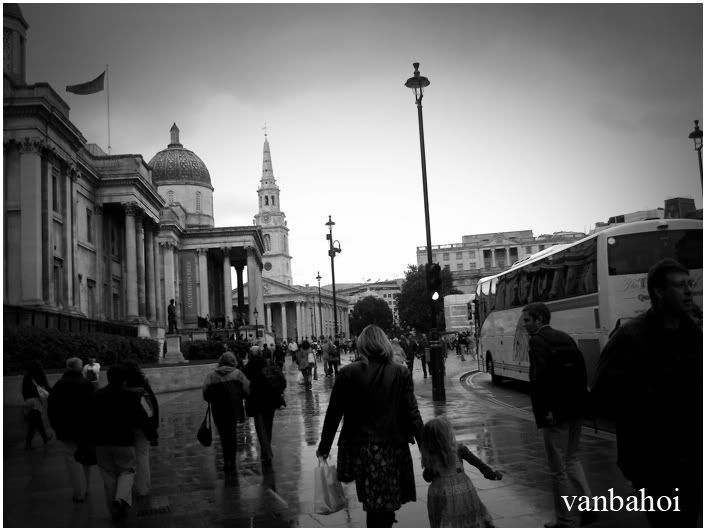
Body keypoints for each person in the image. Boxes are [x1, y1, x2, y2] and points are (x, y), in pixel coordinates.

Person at [592, 259, 702, 527]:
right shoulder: (630, 337)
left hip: (694, 456)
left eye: (690, 284)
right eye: (680, 286)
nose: (689, 291)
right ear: (659, 291)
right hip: (654, 460)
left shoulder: (695, 334)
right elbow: (602, 395)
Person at [316, 325, 424, 528]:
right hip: (393, 447)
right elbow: (413, 414)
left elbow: (333, 415)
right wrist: (427, 448)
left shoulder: (347, 373)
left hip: (362, 450)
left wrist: (324, 447)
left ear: (362, 345)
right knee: (386, 501)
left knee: (373, 503)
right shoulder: (401, 372)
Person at [522, 302, 591, 528]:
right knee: (572, 458)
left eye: (527, 320)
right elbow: (581, 371)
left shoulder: (537, 341)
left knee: (558, 470)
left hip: (555, 412)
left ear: (539, 320)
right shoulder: (565, 337)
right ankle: (589, 505)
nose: (524, 325)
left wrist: (546, 410)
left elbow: (540, 378)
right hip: (576, 408)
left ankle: (564, 519)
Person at [91, 364, 157, 523]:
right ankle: (120, 498)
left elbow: (89, 421)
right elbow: (142, 418)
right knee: (127, 471)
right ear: (124, 379)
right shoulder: (131, 396)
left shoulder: (96, 395)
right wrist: (152, 435)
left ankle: (114, 510)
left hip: (101, 443)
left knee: (108, 478)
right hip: (123, 441)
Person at [421, 416, 501, 527]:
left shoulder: (431, 456)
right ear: (447, 435)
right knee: (468, 516)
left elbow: (427, 477)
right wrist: (491, 474)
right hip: (463, 491)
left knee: (444, 519)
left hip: (440, 493)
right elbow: (477, 463)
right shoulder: (459, 450)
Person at [47, 357, 94, 502]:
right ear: (80, 368)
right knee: (85, 458)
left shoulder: (59, 385)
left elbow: (52, 408)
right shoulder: (86, 384)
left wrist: (56, 426)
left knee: (72, 459)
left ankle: (79, 492)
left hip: (66, 428)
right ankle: (86, 488)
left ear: (68, 367)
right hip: (85, 427)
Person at [202, 352, 250, 473]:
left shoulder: (212, 375)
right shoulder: (237, 374)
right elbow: (247, 389)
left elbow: (205, 392)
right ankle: (231, 461)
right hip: (233, 408)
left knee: (223, 436)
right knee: (232, 434)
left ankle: (226, 459)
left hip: (218, 409)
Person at [244, 346, 285, 467]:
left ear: (250, 354)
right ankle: (265, 450)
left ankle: (266, 451)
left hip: (256, 401)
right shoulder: (267, 364)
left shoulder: (247, 368)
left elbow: (244, 386)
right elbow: (280, 379)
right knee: (268, 426)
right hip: (270, 400)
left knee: (260, 427)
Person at [124, 361, 159, 498]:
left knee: (128, 458)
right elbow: (153, 404)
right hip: (144, 425)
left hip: (127, 426)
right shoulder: (143, 385)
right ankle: (143, 487)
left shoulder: (123, 387)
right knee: (143, 456)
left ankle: (126, 488)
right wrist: (154, 426)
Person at [22, 360, 52, 450]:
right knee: (33, 423)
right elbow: (47, 387)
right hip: (36, 401)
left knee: (37, 421)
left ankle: (45, 438)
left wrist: (26, 400)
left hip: (28, 401)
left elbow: (23, 390)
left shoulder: (27, 376)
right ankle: (28, 444)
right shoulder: (41, 375)